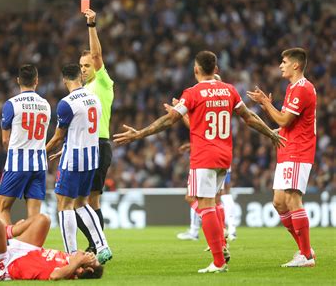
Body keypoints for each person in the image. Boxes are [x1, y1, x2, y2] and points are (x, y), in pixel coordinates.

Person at [114, 51, 284, 273]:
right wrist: (270, 133)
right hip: (224, 156)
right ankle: (221, 245)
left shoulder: (193, 92)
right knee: (212, 203)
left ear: (196, 70)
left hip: (204, 156)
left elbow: (169, 119)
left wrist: (140, 134)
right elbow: (250, 117)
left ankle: (218, 260)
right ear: (216, 69)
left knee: (204, 206)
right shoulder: (229, 90)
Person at [247, 47, 316, 267]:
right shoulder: (291, 88)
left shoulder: (303, 88)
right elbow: (285, 123)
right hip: (286, 149)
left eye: (284, 61)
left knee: (292, 199)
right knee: (278, 203)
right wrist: (270, 116)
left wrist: (265, 104)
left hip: (298, 150)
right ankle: (305, 250)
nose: (280, 65)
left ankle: (305, 255)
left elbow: (284, 120)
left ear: (296, 65)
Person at [46, 63, 112, 264]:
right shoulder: (94, 99)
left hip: (74, 159)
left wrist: (42, 152)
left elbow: (58, 136)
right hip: (92, 158)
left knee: (64, 204)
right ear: (80, 78)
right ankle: (102, 245)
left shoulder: (66, 103)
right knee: (83, 203)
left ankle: (71, 254)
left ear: (64, 80)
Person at [0, 214, 104, 280]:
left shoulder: (70, 270)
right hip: (27, 252)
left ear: (85, 270)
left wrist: (76, 262)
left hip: (7, 265)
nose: (90, 255)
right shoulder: (73, 261)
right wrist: (79, 258)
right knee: (43, 219)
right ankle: (5, 233)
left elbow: (54, 277)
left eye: (92, 260)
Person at [176, 75, 237, 242]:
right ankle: (219, 231)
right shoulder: (225, 96)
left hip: (207, 157)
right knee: (215, 198)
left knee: (205, 198)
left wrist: (179, 113)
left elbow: (201, 129)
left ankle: (223, 230)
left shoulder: (200, 96)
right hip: (222, 153)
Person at [79, 8, 114, 254]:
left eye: (87, 65)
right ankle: (95, 244)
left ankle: (96, 245)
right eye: (81, 65)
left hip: (99, 144)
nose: (83, 68)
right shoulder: (83, 90)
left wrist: (92, 26)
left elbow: (98, 54)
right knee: (85, 201)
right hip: (85, 145)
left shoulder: (102, 82)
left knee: (87, 201)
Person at [0, 64, 51, 224]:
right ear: (37, 81)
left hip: (17, 163)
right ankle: (30, 248)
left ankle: (9, 247)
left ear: (18, 80)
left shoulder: (11, 104)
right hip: (39, 165)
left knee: (2, 208)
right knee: (34, 217)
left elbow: (5, 140)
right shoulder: (45, 105)